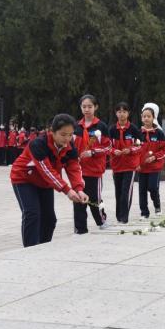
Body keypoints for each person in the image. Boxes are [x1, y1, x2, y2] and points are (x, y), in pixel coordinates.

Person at [10, 114, 88, 247]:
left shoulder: (69, 146)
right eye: (63, 134)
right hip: (24, 179)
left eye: (70, 135)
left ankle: (43, 247)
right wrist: (67, 190)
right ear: (52, 131)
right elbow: (46, 170)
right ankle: (30, 250)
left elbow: (74, 167)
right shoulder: (38, 144)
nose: (67, 139)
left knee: (49, 219)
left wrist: (79, 189)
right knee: (32, 214)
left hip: (45, 183)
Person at [73, 94, 111, 234]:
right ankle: (80, 228)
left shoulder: (101, 126)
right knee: (78, 199)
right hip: (78, 170)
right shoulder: (76, 126)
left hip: (95, 170)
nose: (87, 109)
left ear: (96, 107)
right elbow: (71, 146)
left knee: (95, 199)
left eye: (90, 106)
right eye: (84, 106)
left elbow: (108, 147)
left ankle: (101, 220)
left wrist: (93, 152)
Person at [109, 102, 142, 224]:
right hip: (117, 166)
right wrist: (113, 151)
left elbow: (140, 145)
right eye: (119, 111)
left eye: (124, 111)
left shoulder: (133, 129)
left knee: (125, 191)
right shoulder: (112, 129)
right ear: (116, 113)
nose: (121, 114)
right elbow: (107, 146)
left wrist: (131, 149)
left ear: (128, 113)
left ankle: (124, 217)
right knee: (118, 192)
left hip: (130, 165)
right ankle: (119, 216)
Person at [138, 103, 165, 219]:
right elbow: (134, 150)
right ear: (141, 117)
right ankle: (144, 212)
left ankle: (157, 205)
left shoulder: (159, 133)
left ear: (153, 117)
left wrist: (154, 157)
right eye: (144, 116)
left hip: (155, 167)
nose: (146, 118)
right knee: (142, 191)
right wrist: (136, 164)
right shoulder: (138, 133)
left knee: (153, 188)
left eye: (148, 116)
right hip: (142, 168)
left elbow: (164, 149)